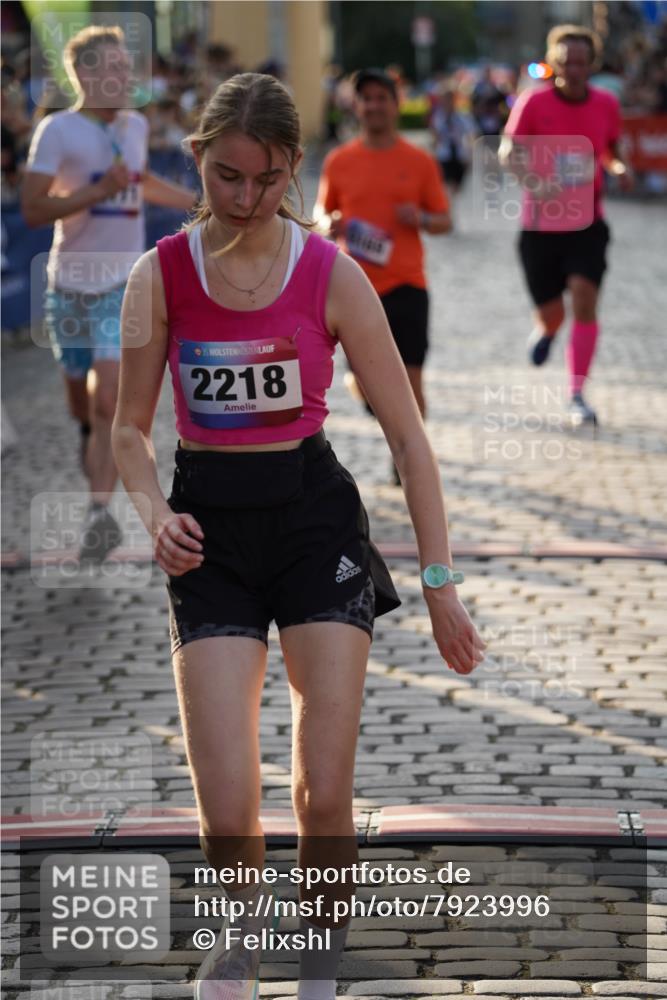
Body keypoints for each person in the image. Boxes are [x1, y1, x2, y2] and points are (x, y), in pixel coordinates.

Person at [111, 72, 485, 1000]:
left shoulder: (332, 273)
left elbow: (407, 438)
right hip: (210, 537)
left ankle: (317, 953)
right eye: (229, 177)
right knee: (229, 793)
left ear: (293, 172)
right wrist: (155, 515)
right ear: (198, 160)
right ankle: (238, 933)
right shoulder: (157, 274)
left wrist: (438, 581)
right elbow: (127, 428)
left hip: (316, 523)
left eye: (269, 180)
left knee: (321, 787)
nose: (247, 198)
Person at [21, 24, 197, 561]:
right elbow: (32, 208)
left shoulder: (136, 124)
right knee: (82, 401)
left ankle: (100, 517)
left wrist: (197, 201)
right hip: (69, 283)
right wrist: (96, 190)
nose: (127, 75)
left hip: (122, 282)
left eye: (128, 66)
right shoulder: (57, 131)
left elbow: (138, 181)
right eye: (116, 67)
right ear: (86, 74)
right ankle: (88, 441)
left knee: (107, 403)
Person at [315, 68, 451, 478]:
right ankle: (394, 424)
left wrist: (422, 218)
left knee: (411, 382)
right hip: (353, 289)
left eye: (382, 98)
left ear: (396, 104)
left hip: (407, 283)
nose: (374, 106)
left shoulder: (419, 161)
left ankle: (409, 461)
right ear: (356, 106)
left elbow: (445, 220)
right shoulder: (340, 160)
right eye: (366, 98)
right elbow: (322, 213)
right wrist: (328, 223)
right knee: (361, 381)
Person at [501, 24, 633, 426]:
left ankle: (576, 392)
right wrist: (534, 183)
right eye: (565, 61)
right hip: (540, 226)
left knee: (584, 296)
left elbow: (611, 148)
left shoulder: (606, 104)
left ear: (591, 64)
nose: (572, 69)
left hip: (587, 223)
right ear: (553, 62)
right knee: (554, 313)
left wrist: (619, 167)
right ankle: (546, 329)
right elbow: (509, 152)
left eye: (580, 61)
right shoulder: (532, 102)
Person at [430, 84, 478, 193]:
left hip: (460, 155)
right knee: (447, 186)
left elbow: (472, 134)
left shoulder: (463, 116)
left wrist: (470, 153)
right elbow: (435, 137)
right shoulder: (438, 117)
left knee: (458, 187)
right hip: (444, 155)